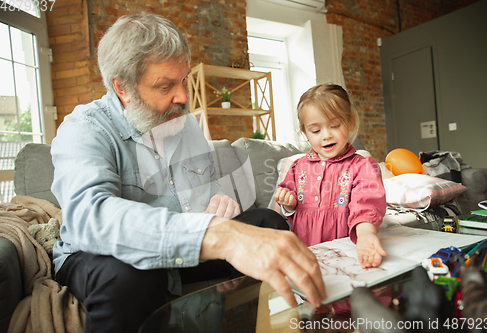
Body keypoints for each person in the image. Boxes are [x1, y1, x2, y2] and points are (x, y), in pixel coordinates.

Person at [50, 13, 325, 332]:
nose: (183, 96)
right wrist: (220, 236)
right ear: (122, 88)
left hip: (180, 249)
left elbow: (200, 206)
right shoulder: (84, 129)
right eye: (166, 85)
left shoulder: (186, 125)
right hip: (99, 254)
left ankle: (283, 323)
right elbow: (91, 218)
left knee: (269, 223)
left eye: (183, 79)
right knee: (129, 277)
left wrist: (220, 208)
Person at [274, 84, 387, 269]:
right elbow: (289, 207)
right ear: (305, 133)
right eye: (316, 131)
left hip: (346, 253)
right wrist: (288, 204)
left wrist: (366, 235)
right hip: (305, 252)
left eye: (334, 125)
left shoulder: (362, 166)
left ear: (350, 122)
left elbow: (366, 205)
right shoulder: (298, 167)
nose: (326, 135)